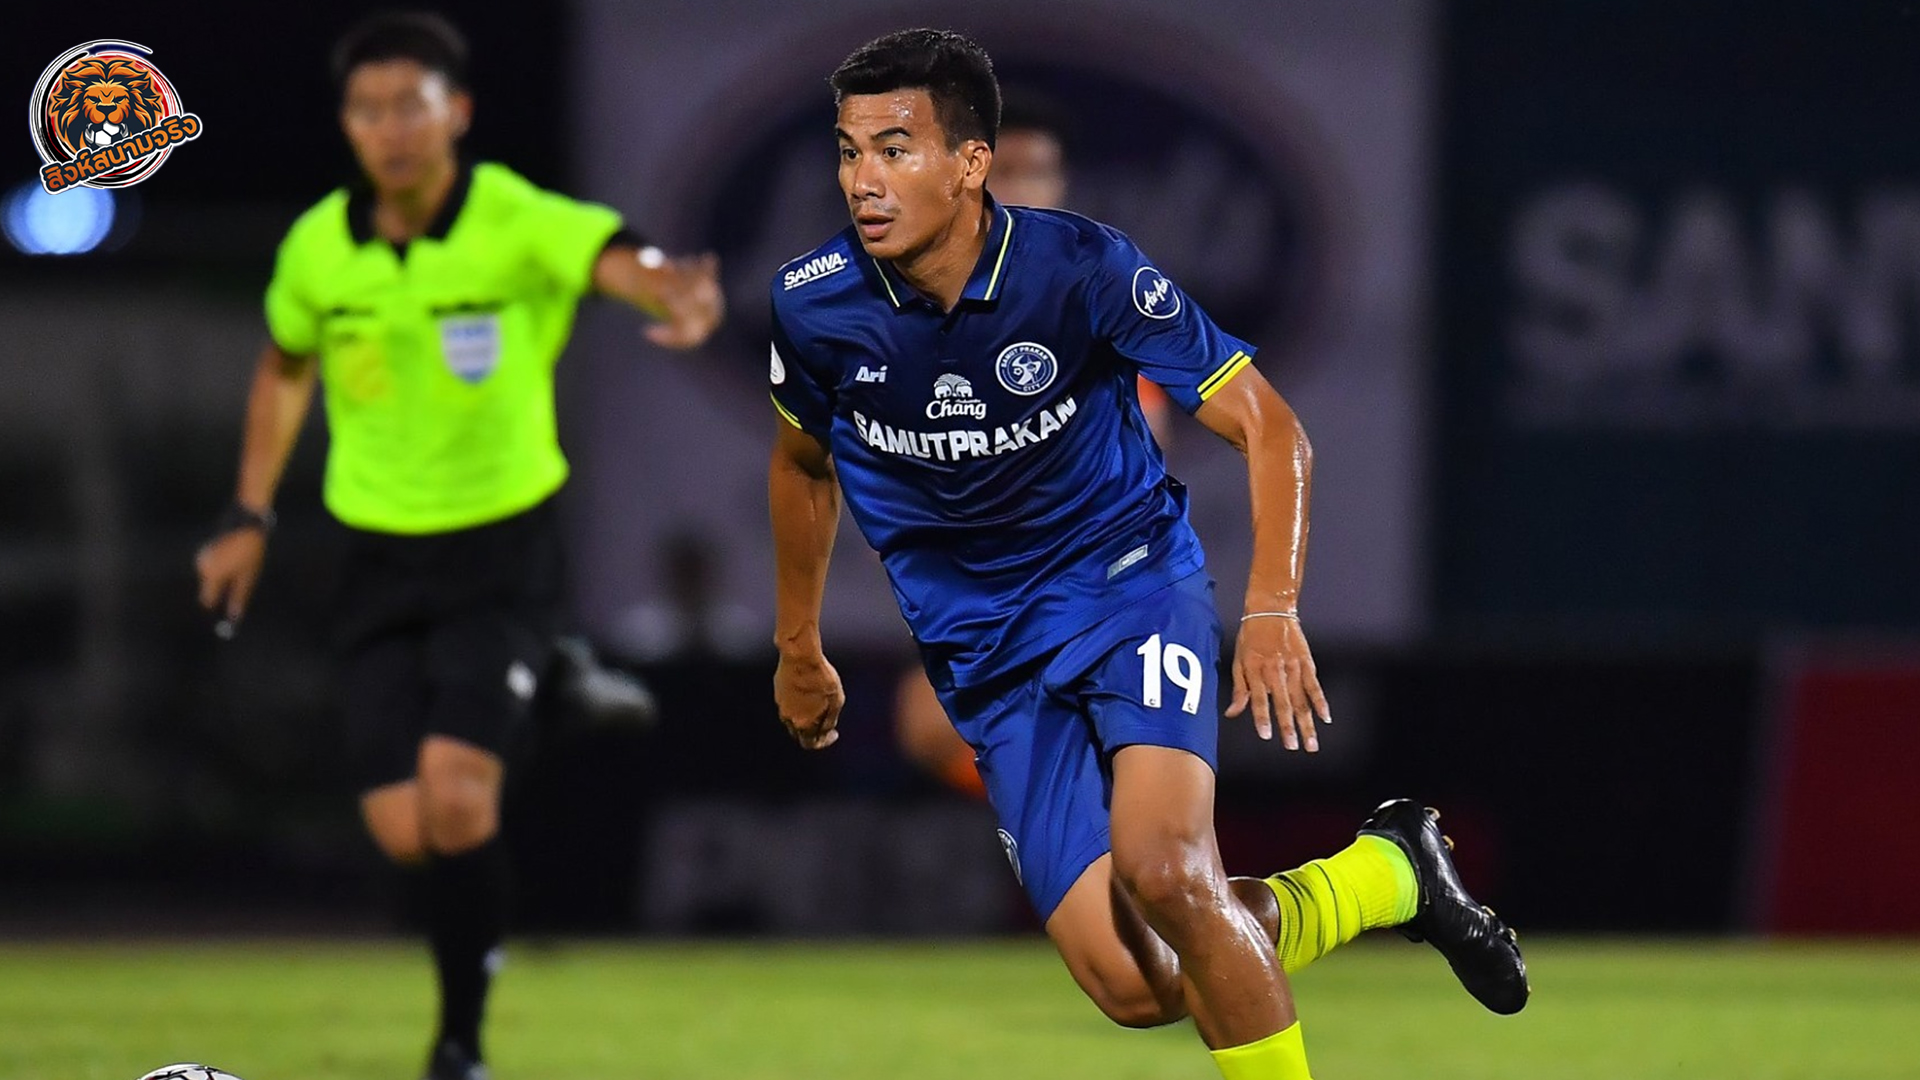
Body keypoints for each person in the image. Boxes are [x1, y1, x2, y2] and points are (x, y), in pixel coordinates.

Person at [766, 29, 1525, 1079]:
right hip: (986, 659)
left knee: (1168, 871)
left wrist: (1271, 609)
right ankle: (1390, 874)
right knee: (1140, 984)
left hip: (1126, 591)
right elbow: (803, 465)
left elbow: (1269, 427)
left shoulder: (1084, 268)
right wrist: (797, 644)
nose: (863, 180)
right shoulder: (813, 303)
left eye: (894, 150)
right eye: (850, 152)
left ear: (971, 163)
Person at [192, 13, 722, 1080]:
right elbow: (286, 366)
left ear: (457, 114)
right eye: (369, 110)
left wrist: (672, 281)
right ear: (347, 123)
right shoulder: (317, 248)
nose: (391, 130)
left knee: (457, 797)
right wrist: (248, 516)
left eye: (411, 106)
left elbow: (613, 255)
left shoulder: (510, 218)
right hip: (376, 555)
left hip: (499, 550)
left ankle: (458, 1047)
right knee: (404, 832)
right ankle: (557, 684)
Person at [890, 88, 1171, 798]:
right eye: (1002, 170)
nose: (1020, 188)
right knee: (929, 723)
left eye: (1037, 170)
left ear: (1061, 185)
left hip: (1097, 601)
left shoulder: (1102, 304)